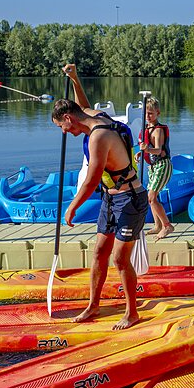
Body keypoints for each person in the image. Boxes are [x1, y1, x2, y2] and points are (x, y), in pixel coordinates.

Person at [51, 63, 147, 330]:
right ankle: (93, 305)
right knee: (99, 254)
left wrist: (71, 208)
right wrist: (75, 78)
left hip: (130, 199)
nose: (64, 132)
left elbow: (92, 180)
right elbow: (81, 106)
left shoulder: (98, 137)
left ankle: (132, 312)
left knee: (119, 259)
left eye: (62, 126)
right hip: (110, 199)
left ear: (69, 119)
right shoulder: (93, 116)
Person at [139, 96, 174, 239]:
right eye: (145, 113)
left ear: (157, 113)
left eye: (151, 113)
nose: (148, 116)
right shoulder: (146, 128)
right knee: (152, 198)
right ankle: (157, 225)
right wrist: (140, 154)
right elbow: (147, 148)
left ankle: (167, 226)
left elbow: (158, 150)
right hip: (152, 167)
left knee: (151, 197)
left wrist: (147, 150)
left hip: (162, 165)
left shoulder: (158, 130)